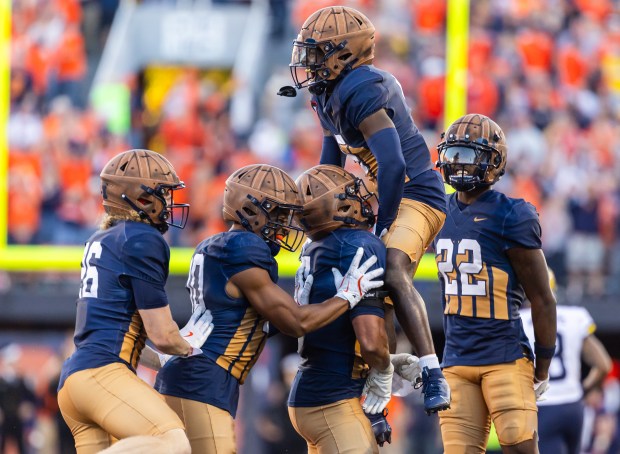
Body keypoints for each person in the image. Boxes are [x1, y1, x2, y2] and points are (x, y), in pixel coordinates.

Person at [153, 163, 385, 454]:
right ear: (250, 211)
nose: (284, 223)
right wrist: (348, 294)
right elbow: (296, 323)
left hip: (198, 375)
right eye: (276, 213)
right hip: (204, 378)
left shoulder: (214, 245)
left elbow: (257, 320)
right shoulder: (244, 248)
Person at [286, 5, 450, 414]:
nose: (308, 61)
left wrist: (382, 225)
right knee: (366, 290)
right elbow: (329, 166)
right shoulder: (326, 92)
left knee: (390, 269)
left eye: (317, 52)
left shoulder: (361, 87)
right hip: (385, 190)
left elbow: (394, 164)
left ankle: (433, 372)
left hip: (416, 192)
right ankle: (376, 401)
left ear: (345, 54)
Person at [57, 149, 215, 454]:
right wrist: (193, 350)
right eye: (162, 194)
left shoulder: (103, 238)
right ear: (141, 199)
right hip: (103, 375)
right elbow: (162, 334)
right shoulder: (142, 238)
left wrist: (164, 359)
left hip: (77, 381)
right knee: (172, 442)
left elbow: (117, 335)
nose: (168, 203)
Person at [434, 113, 557, 453]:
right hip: (456, 359)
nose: (459, 165)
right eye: (453, 154)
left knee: (519, 447)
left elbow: (542, 298)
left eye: (469, 155)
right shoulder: (437, 210)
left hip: (503, 355)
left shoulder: (511, 214)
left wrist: (543, 366)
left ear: (494, 160)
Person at [287, 164, 422, 453]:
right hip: (333, 400)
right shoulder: (360, 244)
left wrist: (390, 360)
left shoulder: (315, 247)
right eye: (351, 193)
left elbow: (338, 334)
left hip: (311, 391)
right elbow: (371, 342)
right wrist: (384, 369)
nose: (361, 198)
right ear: (340, 206)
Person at [520, 268, 612, 454]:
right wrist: (584, 390)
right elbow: (603, 365)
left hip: (543, 406)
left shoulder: (519, 320)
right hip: (573, 406)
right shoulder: (575, 316)